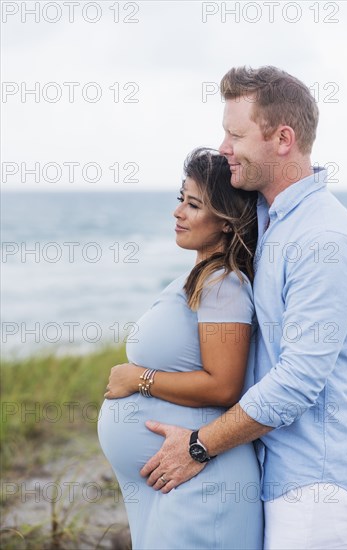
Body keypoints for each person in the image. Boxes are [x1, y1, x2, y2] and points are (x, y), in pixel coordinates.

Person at [135, 67, 347, 550]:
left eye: (235, 133)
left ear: (282, 138)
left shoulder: (321, 238)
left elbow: (298, 381)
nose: (224, 147)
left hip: (313, 485)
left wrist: (199, 446)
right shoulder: (272, 219)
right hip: (277, 472)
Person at [97, 148, 263, 550]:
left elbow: (224, 386)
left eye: (194, 204)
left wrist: (140, 379)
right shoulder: (203, 277)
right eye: (180, 199)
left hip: (203, 489)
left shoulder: (224, 285)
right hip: (177, 486)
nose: (179, 212)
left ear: (227, 222)